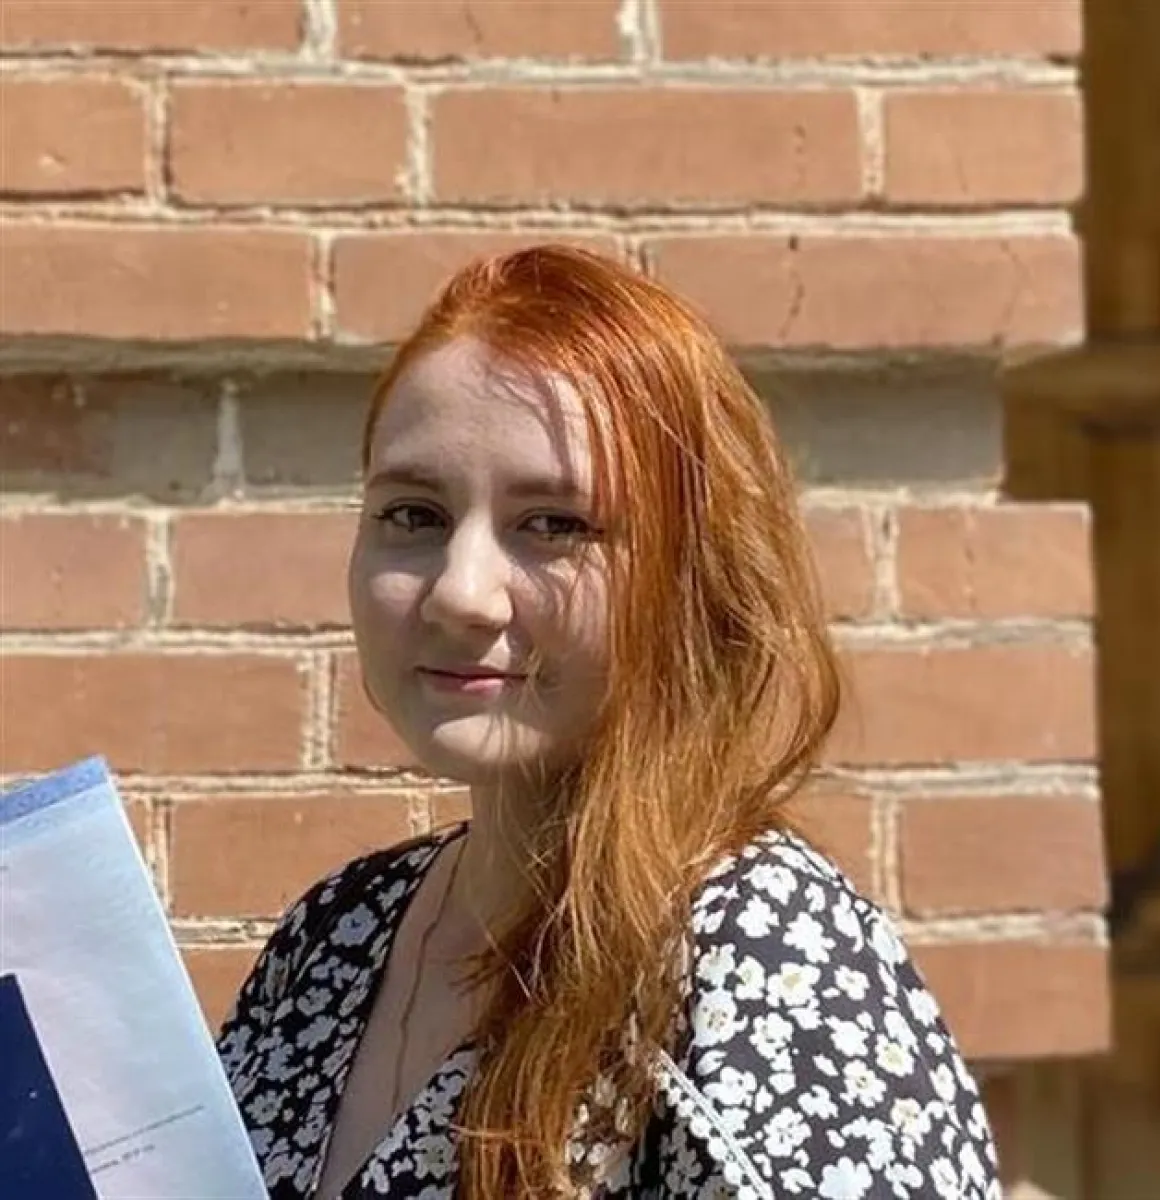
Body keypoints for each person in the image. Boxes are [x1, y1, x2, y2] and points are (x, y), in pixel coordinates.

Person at [216, 245, 1001, 1199]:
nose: (461, 592)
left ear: (692, 576)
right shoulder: (338, 935)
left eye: (555, 525)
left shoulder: (764, 961)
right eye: (414, 515)